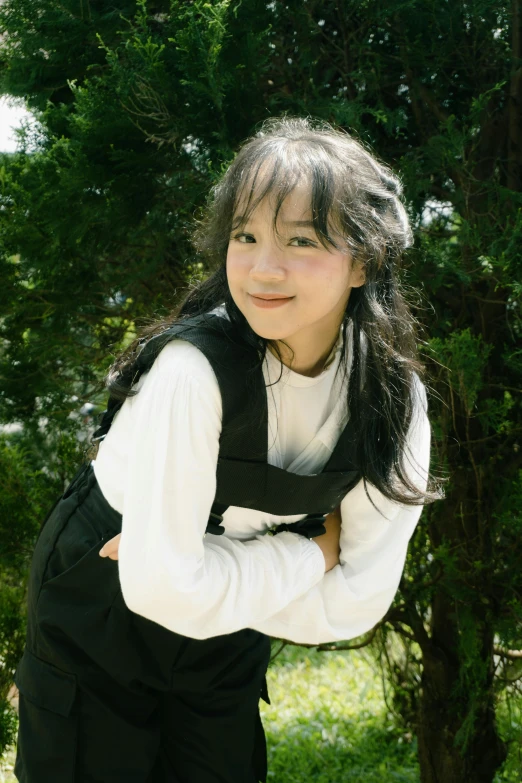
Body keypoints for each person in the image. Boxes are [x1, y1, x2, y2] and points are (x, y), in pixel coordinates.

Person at [13, 115, 443, 782]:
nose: (263, 268)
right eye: (246, 236)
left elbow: (355, 602)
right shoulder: (192, 371)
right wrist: (314, 553)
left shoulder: (392, 401)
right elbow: (160, 591)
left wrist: (197, 570)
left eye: (301, 239)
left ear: (363, 261)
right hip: (96, 608)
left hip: (226, 638)